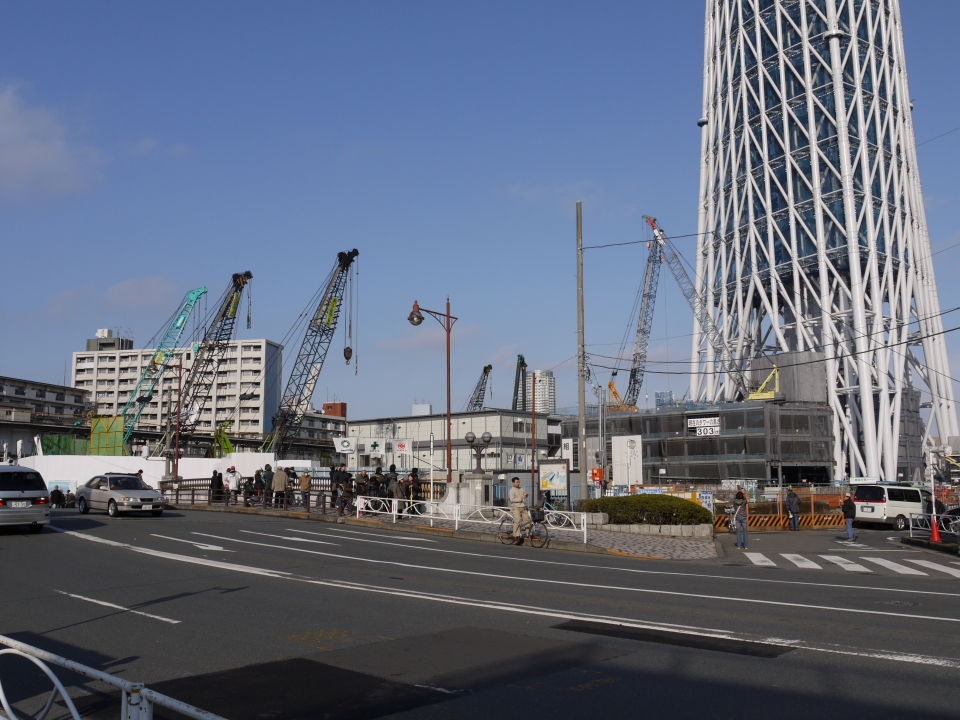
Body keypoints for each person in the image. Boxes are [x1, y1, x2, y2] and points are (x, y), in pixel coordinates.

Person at [509, 477, 530, 542]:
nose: (518, 483)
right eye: (517, 482)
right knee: (518, 520)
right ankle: (515, 535)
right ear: (513, 483)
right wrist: (520, 498)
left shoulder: (521, 489)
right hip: (515, 507)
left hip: (522, 507)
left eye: (519, 482)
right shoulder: (511, 490)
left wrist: (526, 495)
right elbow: (512, 500)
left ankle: (529, 534)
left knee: (527, 520)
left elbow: (524, 496)